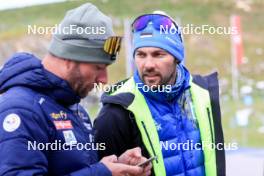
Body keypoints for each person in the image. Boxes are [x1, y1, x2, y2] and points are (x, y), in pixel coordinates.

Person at [0, 3, 151, 176]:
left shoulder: (76, 109)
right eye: (98, 67)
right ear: (69, 58)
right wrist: (101, 173)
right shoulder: (21, 110)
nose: (104, 79)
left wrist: (118, 165)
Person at [94, 12, 226, 176]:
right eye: (141, 54)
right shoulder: (116, 112)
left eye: (158, 54)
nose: (148, 64)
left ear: (176, 58)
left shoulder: (203, 94)